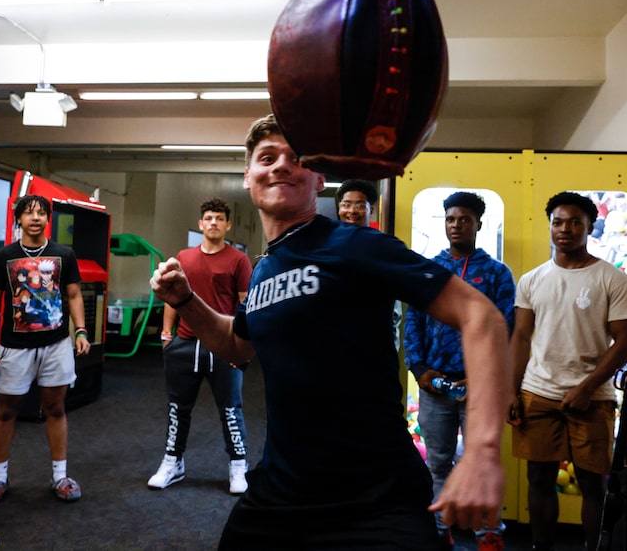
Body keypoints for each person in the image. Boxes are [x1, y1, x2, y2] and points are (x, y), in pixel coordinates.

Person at [149, 114, 511, 549]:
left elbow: (481, 316)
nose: (281, 165)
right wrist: (186, 300)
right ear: (248, 177)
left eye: (296, 158)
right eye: (267, 158)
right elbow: (238, 344)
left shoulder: (356, 245)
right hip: (281, 493)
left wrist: (483, 452)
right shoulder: (264, 268)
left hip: (374, 499)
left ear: (319, 178)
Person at [508, 191, 627, 551]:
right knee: (538, 477)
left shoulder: (613, 280)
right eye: (557, 222)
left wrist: (586, 387)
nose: (564, 229)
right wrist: (511, 390)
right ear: (550, 226)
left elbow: (624, 344)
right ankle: (541, 547)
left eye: (574, 223)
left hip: (593, 397)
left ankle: (592, 547)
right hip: (537, 392)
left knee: (592, 482)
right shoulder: (532, 279)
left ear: (589, 227)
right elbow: (521, 338)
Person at [403, 191, 515, 550]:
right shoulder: (428, 269)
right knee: (437, 464)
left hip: (479, 389)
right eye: (451, 219)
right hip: (434, 386)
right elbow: (412, 323)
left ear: (479, 224)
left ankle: (489, 535)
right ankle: (442, 531)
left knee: (481, 462)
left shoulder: (496, 273)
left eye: (464, 219)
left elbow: (507, 328)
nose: (456, 225)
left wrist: (480, 378)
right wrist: (420, 369)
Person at [0, 194, 90, 506]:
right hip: (14, 348)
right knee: (6, 411)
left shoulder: (64, 254)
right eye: (29, 213)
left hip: (56, 345)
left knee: (55, 409)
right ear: (19, 219)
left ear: (47, 218)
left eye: (41, 213)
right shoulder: (3, 257)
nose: (36, 218)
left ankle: (60, 476)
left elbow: (75, 295)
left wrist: (80, 330)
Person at [148, 197, 253, 494]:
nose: (213, 223)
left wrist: (240, 345)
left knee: (231, 409)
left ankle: (238, 466)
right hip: (184, 343)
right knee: (177, 408)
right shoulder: (184, 257)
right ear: (200, 224)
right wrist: (166, 336)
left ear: (227, 224)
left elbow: (245, 305)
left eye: (219, 218)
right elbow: (172, 297)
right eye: (209, 218)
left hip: (223, 345)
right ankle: (173, 462)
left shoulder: (238, 260)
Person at [336, 178, 404, 352]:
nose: (352, 211)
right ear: (339, 208)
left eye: (359, 205)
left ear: (370, 210)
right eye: (346, 204)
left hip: (374, 348)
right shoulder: (326, 247)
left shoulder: (383, 249)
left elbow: (394, 314)